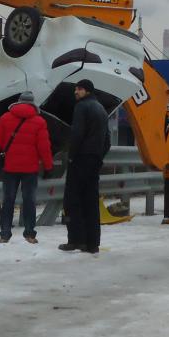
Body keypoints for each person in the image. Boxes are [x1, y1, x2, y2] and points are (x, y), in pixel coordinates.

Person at [0, 91, 53, 244]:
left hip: (10, 167)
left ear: (18, 102)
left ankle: (5, 234)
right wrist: (48, 166)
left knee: (8, 200)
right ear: (33, 104)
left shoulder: (5, 118)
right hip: (30, 168)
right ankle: (30, 234)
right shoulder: (39, 121)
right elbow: (44, 146)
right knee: (29, 200)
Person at [60, 79, 110, 254]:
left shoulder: (82, 107)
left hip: (80, 158)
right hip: (94, 160)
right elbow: (108, 140)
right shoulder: (101, 108)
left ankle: (75, 239)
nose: (76, 92)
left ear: (87, 90)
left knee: (72, 200)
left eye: (79, 89)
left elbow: (77, 133)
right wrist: (98, 157)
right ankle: (92, 243)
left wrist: (72, 156)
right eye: (75, 89)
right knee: (91, 201)